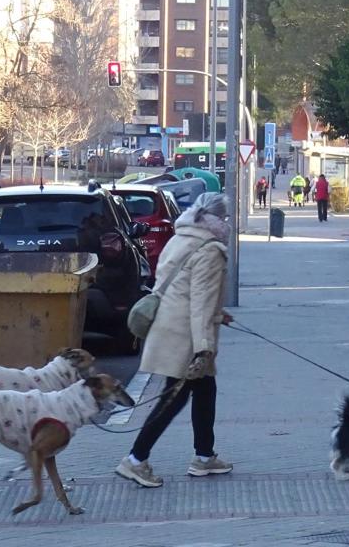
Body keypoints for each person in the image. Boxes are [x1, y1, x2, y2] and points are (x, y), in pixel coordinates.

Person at [115, 192, 234, 488]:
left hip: (169, 325)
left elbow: (178, 288)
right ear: (220, 219)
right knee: (174, 397)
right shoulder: (210, 249)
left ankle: (205, 456)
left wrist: (219, 315)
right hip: (187, 337)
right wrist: (204, 348)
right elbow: (200, 304)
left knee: (205, 391)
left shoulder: (180, 237)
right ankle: (135, 459)